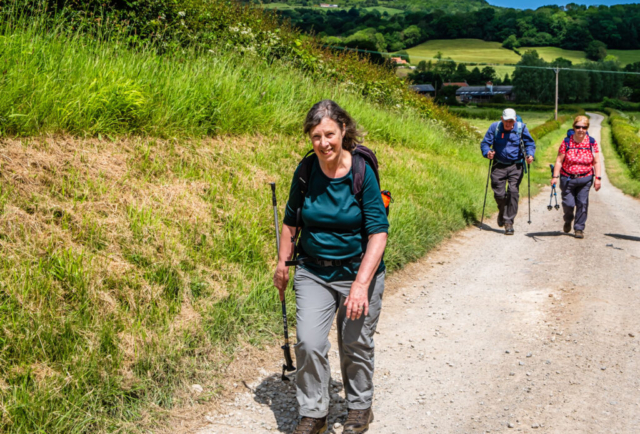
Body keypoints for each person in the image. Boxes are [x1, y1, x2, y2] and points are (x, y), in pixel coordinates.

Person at [273, 100, 389, 434]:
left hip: (358, 269)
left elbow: (378, 234)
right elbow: (291, 222)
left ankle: (359, 408)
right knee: (309, 342)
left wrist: (360, 285)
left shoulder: (361, 171)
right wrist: (283, 264)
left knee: (355, 342)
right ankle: (314, 412)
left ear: (343, 131)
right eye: (315, 136)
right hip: (313, 270)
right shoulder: (307, 170)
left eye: (329, 134)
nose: (323, 143)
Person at [480, 108, 536, 235]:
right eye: (506, 121)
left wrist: (530, 155)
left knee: (513, 192)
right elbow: (485, 144)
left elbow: (530, 144)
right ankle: (502, 212)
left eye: (511, 121)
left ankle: (508, 221)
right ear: (502, 119)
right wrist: (487, 152)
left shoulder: (521, 128)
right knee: (499, 195)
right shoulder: (495, 127)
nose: (509, 124)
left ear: (515, 120)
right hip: (498, 165)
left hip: (515, 166)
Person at [550, 115, 602, 239]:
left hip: (585, 178)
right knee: (568, 204)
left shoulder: (591, 142)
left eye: (584, 127)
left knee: (582, 203)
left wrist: (598, 178)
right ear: (573, 127)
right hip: (567, 178)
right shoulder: (567, 142)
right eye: (578, 127)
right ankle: (568, 219)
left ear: (587, 128)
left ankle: (579, 228)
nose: (581, 130)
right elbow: (559, 160)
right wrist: (555, 177)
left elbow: (596, 162)